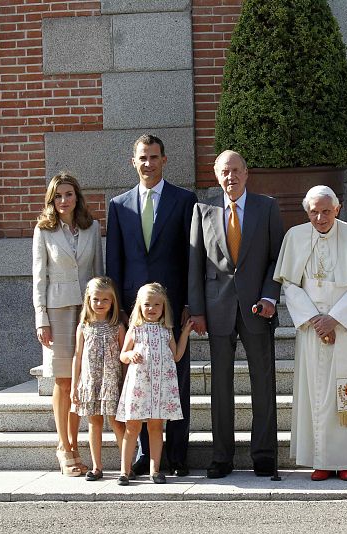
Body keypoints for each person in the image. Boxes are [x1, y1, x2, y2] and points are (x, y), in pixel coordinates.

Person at [274, 186, 347, 481]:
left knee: (346, 390)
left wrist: (334, 319)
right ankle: (322, 460)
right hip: (312, 328)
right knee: (316, 393)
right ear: (307, 211)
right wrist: (316, 319)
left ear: (337, 209)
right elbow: (290, 284)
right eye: (314, 211)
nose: (320, 217)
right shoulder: (295, 237)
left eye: (326, 211)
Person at [188, 150, 284, 479]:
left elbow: (277, 258)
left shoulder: (267, 207)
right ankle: (221, 457)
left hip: (257, 307)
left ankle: (264, 455)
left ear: (247, 173)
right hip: (217, 310)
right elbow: (195, 264)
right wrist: (197, 310)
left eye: (236, 171)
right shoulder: (203, 210)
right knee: (220, 387)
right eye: (224, 172)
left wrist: (271, 296)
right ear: (217, 177)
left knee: (263, 382)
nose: (230, 177)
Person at [106, 133, 198, 477]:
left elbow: (192, 256)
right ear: (134, 162)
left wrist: (191, 302)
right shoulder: (119, 205)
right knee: (139, 385)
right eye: (142, 158)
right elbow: (114, 261)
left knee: (175, 382)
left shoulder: (184, 200)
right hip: (135, 313)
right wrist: (119, 313)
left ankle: (176, 455)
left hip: (171, 310)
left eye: (154, 157)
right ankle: (145, 456)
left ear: (164, 160)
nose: (148, 163)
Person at [32, 171, 103, 476]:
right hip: (57, 311)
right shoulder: (44, 230)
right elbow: (39, 278)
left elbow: (101, 274)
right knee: (63, 380)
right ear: (52, 199)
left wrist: (104, 317)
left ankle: (75, 442)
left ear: (77, 196)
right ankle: (65, 447)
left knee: (81, 381)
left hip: (87, 312)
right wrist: (41, 319)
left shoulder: (92, 227)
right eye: (58, 195)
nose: (63, 200)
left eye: (69, 194)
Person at [116, 283, 194, 485]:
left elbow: (176, 356)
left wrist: (184, 333)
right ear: (140, 307)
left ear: (163, 308)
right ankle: (125, 470)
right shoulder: (136, 329)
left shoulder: (167, 331)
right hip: (139, 387)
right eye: (147, 304)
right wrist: (131, 354)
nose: (152, 309)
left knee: (156, 426)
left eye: (157, 305)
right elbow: (123, 355)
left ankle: (155, 469)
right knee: (132, 427)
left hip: (160, 387)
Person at [70, 276, 126, 481]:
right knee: (94, 422)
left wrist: (126, 383)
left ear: (112, 302)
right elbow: (77, 356)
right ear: (88, 300)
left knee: (117, 422)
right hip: (91, 382)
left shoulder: (117, 327)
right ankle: (97, 466)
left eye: (105, 300)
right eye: (96, 299)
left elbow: (124, 357)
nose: (100, 304)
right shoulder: (84, 327)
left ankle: (125, 467)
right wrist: (74, 385)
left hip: (111, 381)